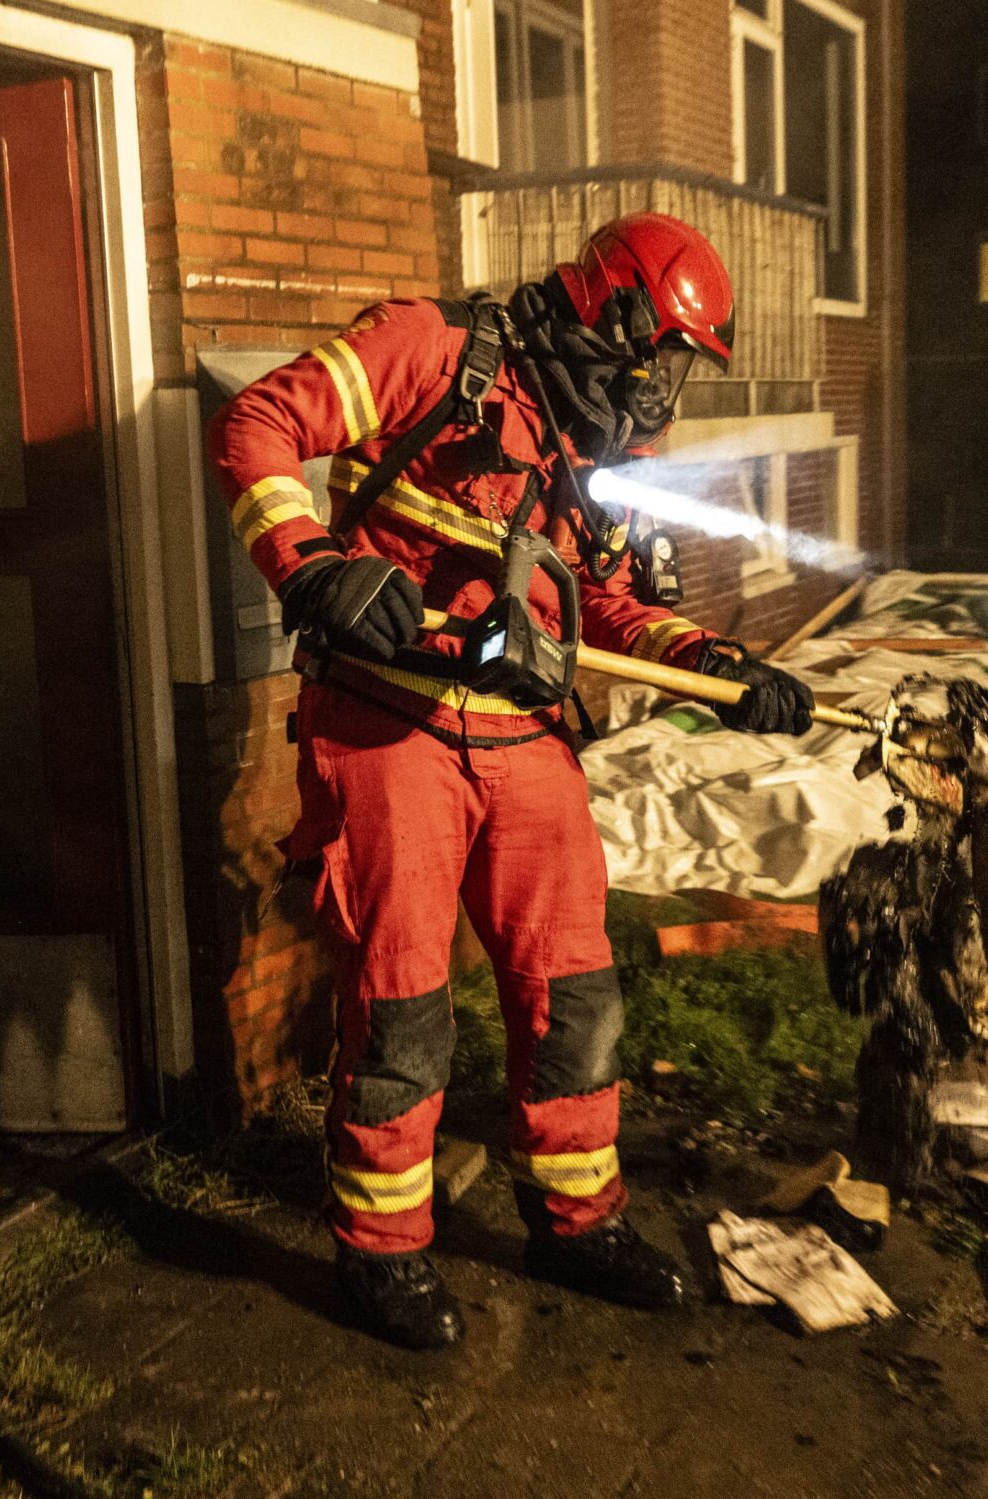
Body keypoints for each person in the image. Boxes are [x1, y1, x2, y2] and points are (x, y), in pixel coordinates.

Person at [207, 213, 817, 1348]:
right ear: (615, 318)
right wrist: (314, 561)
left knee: (574, 991)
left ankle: (577, 1222)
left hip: (522, 738)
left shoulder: (590, 449)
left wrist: (720, 666)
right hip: (391, 728)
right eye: (667, 357)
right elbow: (258, 422)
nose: (665, 389)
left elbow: (609, 610)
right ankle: (381, 1249)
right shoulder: (428, 348)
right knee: (401, 1006)